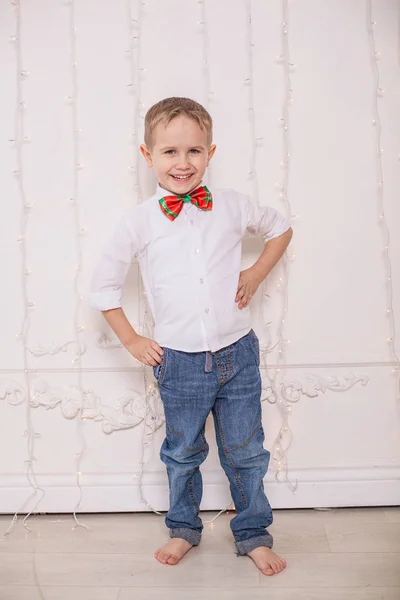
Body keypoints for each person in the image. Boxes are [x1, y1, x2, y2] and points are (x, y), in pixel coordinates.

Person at [90, 97, 292, 576]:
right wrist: (133, 339)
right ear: (148, 155)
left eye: (194, 151)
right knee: (182, 452)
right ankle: (183, 528)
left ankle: (252, 533)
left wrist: (256, 272)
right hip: (178, 361)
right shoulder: (138, 220)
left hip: (237, 352)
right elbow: (102, 288)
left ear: (211, 152)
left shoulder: (231, 205)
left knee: (246, 450)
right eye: (170, 152)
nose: (183, 163)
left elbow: (280, 228)